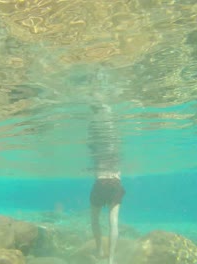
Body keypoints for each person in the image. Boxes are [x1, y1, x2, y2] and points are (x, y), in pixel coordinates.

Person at [88, 100, 125, 264]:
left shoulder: (97, 153)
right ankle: (110, 259)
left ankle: (99, 250)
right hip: (115, 185)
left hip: (100, 183)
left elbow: (94, 149)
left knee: (94, 219)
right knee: (114, 222)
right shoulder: (116, 151)